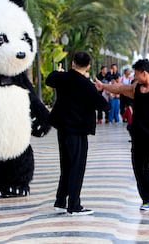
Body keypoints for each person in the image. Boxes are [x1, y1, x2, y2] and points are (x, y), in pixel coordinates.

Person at [95, 59, 149, 211]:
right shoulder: (136, 87)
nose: (135, 77)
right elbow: (120, 88)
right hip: (139, 136)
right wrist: (103, 86)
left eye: (137, 74)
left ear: (144, 73)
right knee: (140, 169)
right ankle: (148, 200)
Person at [46, 51, 110, 216]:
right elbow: (104, 106)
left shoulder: (63, 78)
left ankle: (60, 202)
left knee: (66, 166)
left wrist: (60, 72)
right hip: (78, 132)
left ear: (73, 62)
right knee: (76, 167)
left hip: (63, 130)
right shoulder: (87, 85)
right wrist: (99, 90)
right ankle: (74, 205)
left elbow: (50, 78)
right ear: (88, 66)